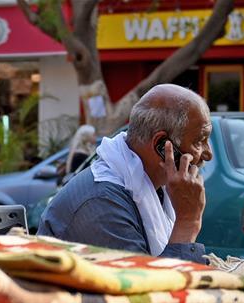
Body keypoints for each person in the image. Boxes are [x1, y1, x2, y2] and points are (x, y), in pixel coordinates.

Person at [38, 84, 213, 264]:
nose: (208, 154)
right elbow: (147, 286)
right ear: (162, 145)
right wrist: (187, 222)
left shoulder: (152, 187)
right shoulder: (102, 203)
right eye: (200, 140)